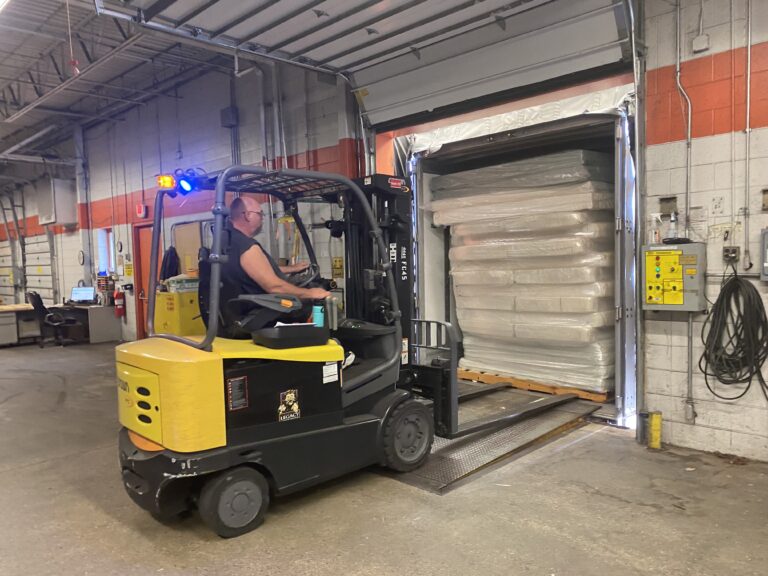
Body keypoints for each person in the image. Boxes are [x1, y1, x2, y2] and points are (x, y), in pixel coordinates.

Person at [224, 195, 330, 301]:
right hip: (263, 309)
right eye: (260, 214)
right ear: (247, 215)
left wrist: (291, 269)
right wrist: (310, 293)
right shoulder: (247, 247)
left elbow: (258, 270)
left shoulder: (228, 241)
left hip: (240, 305)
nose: (262, 218)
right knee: (317, 301)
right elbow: (275, 287)